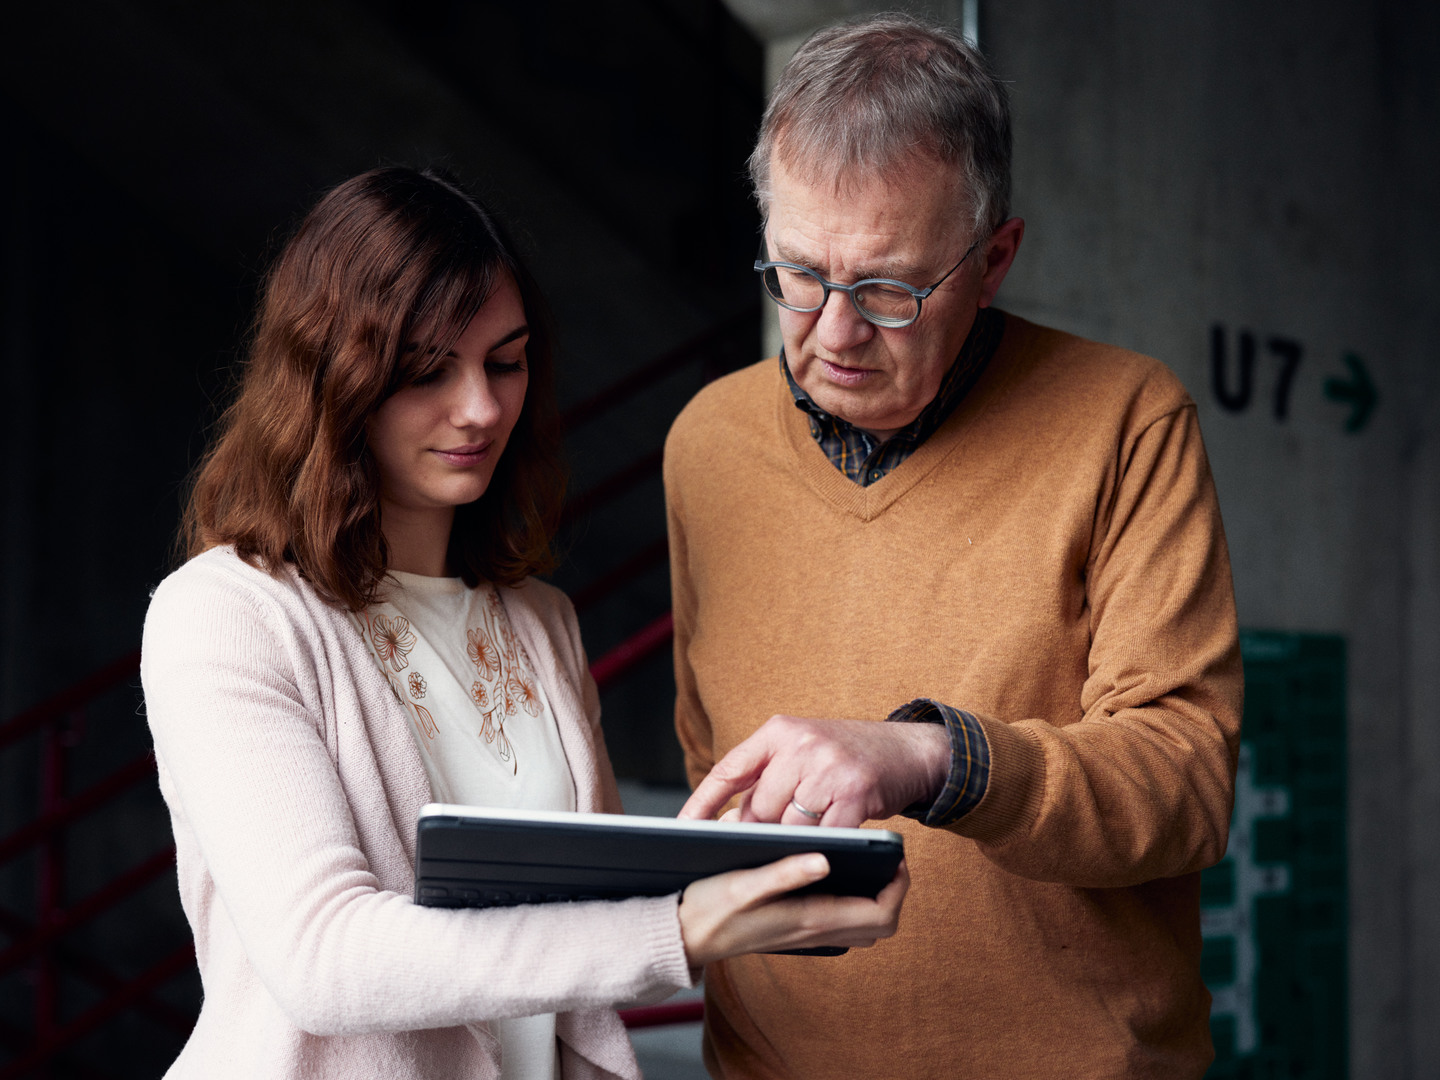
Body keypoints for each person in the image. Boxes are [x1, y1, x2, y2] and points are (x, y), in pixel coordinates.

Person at [140, 166, 907, 1080]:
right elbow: (325, 958)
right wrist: (675, 929)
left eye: (506, 361)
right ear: (331, 379)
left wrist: (782, 846)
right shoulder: (226, 616)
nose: (482, 408)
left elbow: (583, 939)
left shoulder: (542, 623)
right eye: (427, 370)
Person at [666, 14, 1243, 1080]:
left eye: (888, 289)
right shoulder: (707, 443)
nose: (834, 332)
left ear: (994, 260)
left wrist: (935, 759)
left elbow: (1188, 780)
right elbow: (712, 766)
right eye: (799, 273)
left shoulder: (1128, 420)